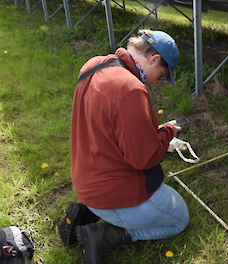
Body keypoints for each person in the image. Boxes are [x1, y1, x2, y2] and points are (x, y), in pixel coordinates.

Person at [58, 29, 190, 263]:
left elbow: (110, 128)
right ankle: (106, 234)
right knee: (179, 217)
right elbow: (144, 158)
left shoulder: (94, 64)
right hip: (109, 191)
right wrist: (167, 132)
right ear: (154, 59)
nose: (158, 81)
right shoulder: (130, 88)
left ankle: (86, 212)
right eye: (162, 74)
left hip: (85, 180)